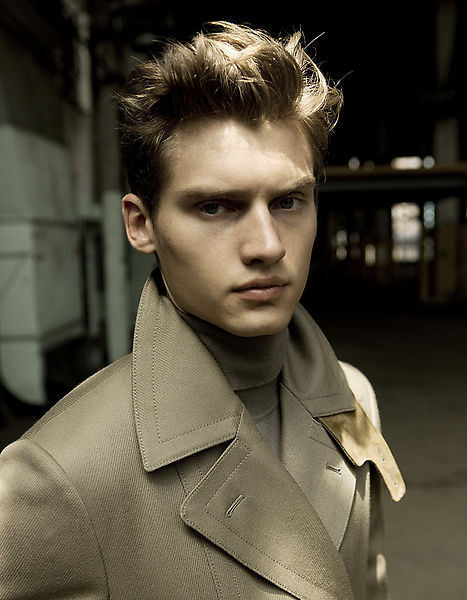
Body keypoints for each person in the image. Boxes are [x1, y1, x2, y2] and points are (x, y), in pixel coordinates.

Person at [0, 22, 405, 599]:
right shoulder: (58, 475)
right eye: (215, 207)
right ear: (141, 224)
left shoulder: (352, 399)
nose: (267, 245)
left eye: (289, 201)